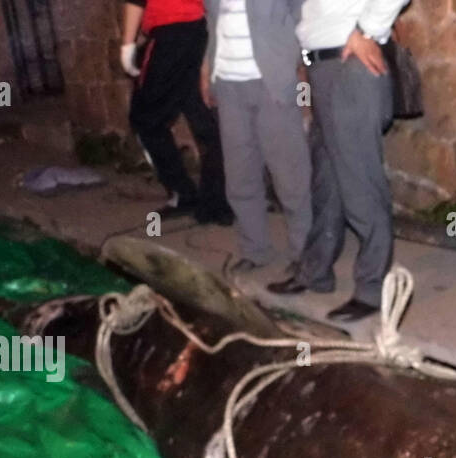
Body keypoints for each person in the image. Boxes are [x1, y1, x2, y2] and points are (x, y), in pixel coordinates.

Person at [265, 0, 406, 323]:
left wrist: (368, 30)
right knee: (326, 181)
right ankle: (315, 271)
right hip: (325, 64)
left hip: (351, 64)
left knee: (359, 182)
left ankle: (373, 288)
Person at [201, 0, 313, 280]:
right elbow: (213, 23)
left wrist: (297, 65)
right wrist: (207, 68)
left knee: (291, 175)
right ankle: (255, 249)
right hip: (228, 84)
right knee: (240, 175)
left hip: (272, 82)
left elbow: (304, 14)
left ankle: (305, 254)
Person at [120, 0, 233, 225]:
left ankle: (184, 193)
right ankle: (218, 199)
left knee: (145, 118)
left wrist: (127, 46)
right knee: (199, 113)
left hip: (170, 31)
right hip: (196, 29)